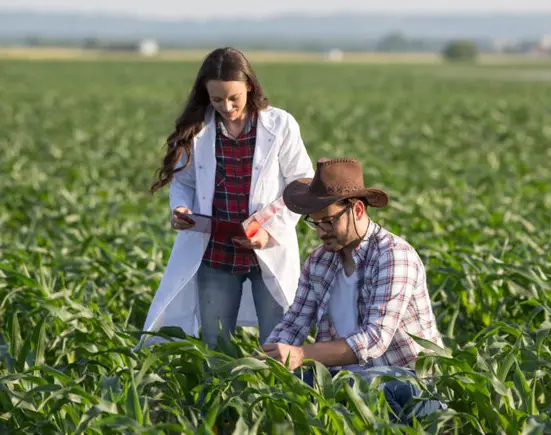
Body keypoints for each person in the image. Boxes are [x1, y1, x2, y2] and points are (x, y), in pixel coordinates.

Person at [136, 47, 314, 351]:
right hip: (216, 252)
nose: (227, 107)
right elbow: (184, 182)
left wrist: (269, 230)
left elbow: (302, 184)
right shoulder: (198, 129)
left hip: (266, 248)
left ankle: (280, 398)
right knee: (216, 345)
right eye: (217, 99)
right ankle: (223, 398)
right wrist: (180, 208)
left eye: (234, 98)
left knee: (279, 343)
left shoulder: (280, 125)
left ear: (250, 87)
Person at [261, 157, 447, 425]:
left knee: (364, 385)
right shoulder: (319, 261)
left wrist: (301, 354)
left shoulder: (394, 256)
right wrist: (265, 360)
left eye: (328, 221)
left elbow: (374, 339)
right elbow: (295, 321)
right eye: (315, 223)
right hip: (347, 378)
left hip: (412, 383)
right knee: (282, 388)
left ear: (357, 210)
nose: (321, 232)